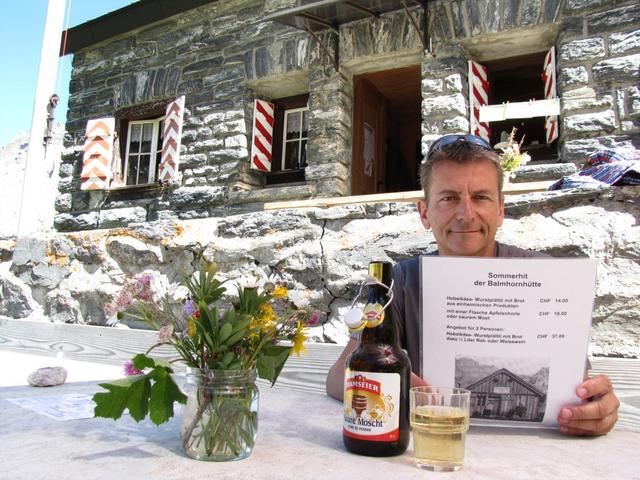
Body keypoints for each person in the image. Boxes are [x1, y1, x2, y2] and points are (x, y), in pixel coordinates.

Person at [326, 134, 620, 437]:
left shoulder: (545, 277)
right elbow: (338, 377)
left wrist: (594, 407)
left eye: (481, 197)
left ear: (501, 209)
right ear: (424, 212)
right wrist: (388, 378)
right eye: (449, 198)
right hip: (426, 448)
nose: (466, 214)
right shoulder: (398, 282)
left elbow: (578, 389)